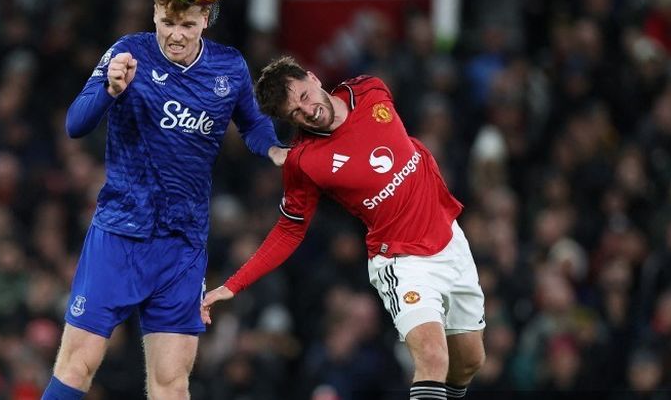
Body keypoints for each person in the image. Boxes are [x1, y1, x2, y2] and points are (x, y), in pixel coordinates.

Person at [41, 0, 288, 400]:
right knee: (77, 365)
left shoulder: (229, 67)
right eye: (167, 22)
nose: (175, 34)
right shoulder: (129, 52)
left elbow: (252, 122)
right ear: (155, 15)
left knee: (172, 383)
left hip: (182, 244)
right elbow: (75, 124)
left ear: (205, 21)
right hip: (120, 234)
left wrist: (275, 150)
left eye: (187, 25)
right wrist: (109, 89)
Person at [202, 56, 486, 400]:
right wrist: (234, 284)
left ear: (312, 76)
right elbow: (289, 230)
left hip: (450, 239)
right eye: (294, 112)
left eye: (304, 96)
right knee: (432, 356)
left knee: (470, 361)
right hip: (402, 261)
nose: (306, 111)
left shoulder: (370, 90)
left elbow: (403, 145)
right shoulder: (304, 162)